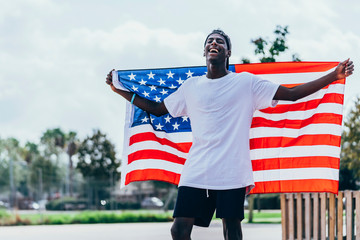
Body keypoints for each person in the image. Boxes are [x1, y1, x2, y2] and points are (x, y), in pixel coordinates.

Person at [106, 29, 354, 240]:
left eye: (220, 42)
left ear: (227, 53)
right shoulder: (191, 86)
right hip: (197, 168)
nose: (214, 44)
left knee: (232, 231)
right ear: (205, 52)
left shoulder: (246, 83)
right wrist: (121, 92)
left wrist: (334, 75)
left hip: (232, 170)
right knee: (178, 229)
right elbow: (159, 110)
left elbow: (292, 94)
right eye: (210, 42)